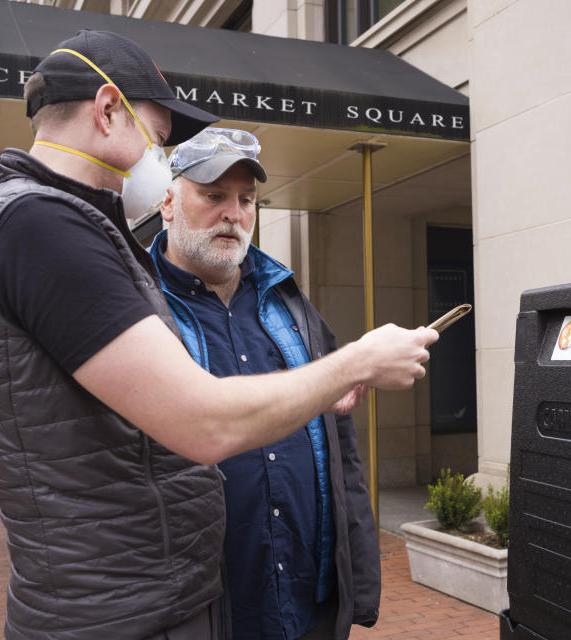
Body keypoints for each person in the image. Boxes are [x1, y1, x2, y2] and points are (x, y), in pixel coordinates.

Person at [0, 30, 437, 640]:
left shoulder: (50, 223)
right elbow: (203, 424)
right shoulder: (43, 224)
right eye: (158, 134)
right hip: (118, 614)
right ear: (106, 111)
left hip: (136, 604)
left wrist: (312, 393)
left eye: (247, 199)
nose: (162, 152)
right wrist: (355, 362)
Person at [150, 127, 377, 640]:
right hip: (203, 615)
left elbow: (343, 458)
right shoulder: (139, 309)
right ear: (168, 203)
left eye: (246, 199)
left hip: (307, 606)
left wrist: (357, 583)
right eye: (213, 196)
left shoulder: (291, 304)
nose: (233, 213)